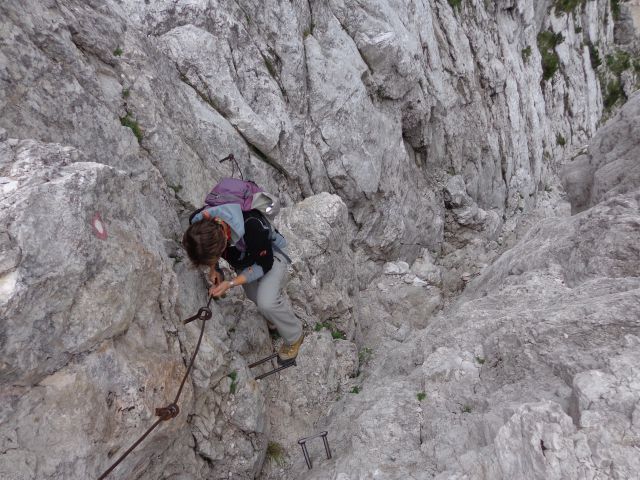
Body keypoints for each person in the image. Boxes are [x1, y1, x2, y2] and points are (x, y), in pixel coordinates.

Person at [182, 202, 304, 363]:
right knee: (253, 295)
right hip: (245, 259)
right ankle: (275, 320)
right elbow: (207, 249)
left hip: (272, 255)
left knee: (266, 302)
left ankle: (295, 335)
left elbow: (265, 264)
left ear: (224, 242)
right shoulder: (199, 224)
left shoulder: (252, 227)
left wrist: (230, 283)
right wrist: (214, 270)